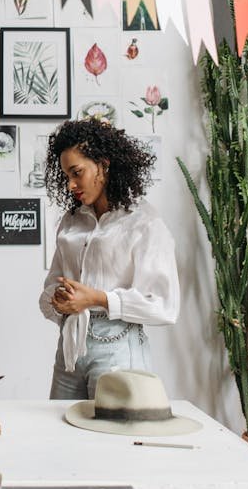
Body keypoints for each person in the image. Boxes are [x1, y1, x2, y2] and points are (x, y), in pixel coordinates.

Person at [39, 117, 179, 400]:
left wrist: (97, 298)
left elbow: (164, 305)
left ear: (103, 164)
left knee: (112, 440)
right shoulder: (71, 221)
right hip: (70, 347)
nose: (70, 185)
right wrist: (58, 300)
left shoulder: (144, 222)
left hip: (119, 349)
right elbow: (51, 286)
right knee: (58, 435)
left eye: (77, 173)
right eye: (66, 176)